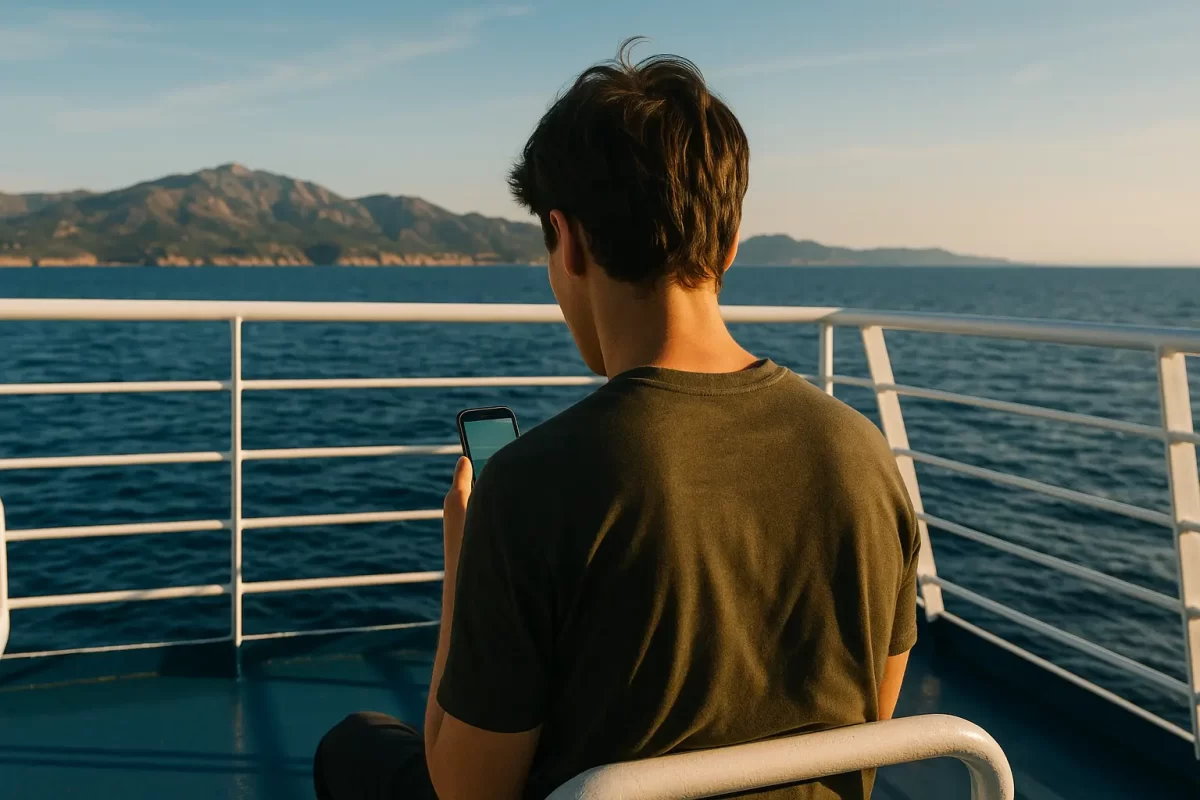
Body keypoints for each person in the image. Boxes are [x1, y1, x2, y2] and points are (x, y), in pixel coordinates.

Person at [314, 38, 918, 800]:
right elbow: (874, 721)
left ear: (567, 243)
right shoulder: (865, 455)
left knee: (352, 745)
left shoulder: (531, 489)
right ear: (729, 243)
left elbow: (467, 790)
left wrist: (466, 565)